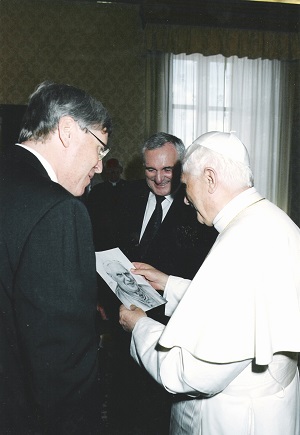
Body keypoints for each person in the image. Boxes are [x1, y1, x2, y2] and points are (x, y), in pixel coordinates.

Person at [119, 131, 300, 435]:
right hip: (274, 404)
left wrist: (139, 327)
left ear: (211, 178)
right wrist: (168, 283)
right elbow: (239, 307)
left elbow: (188, 374)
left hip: (233, 418)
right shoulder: (273, 220)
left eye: (187, 186)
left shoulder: (237, 244)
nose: (186, 199)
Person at [0, 81, 112, 434]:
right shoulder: (60, 211)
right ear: (67, 130)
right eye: (100, 149)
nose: (99, 167)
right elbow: (63, 368)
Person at [86, 158, 127, 251]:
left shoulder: (129, 188)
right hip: (103, 237)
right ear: (106, 172)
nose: (113, 172)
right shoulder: (97, 190)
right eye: (110, 169)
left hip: (124, 236)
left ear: (120, 170)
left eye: (115, 168)